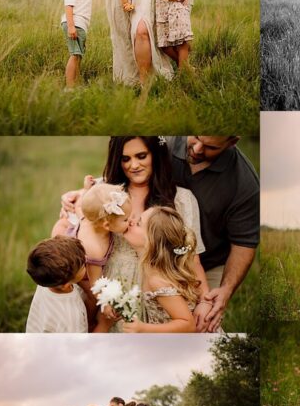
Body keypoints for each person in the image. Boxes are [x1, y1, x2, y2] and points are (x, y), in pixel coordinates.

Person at [60, 137, 210, 329]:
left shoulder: (182, 199)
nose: (134, 165)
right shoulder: (108, 193)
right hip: (114, 289)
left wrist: (204, 301)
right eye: (125, 159)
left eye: (141, 156)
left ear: (155, 155)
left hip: (159, 295)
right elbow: (74, 218)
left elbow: (192, 258)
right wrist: (71, 199)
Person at [166, 136, 260, 332]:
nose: (197, 149)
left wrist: (225, 290)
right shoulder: (164, 142)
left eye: (210, 147)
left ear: (232, 142)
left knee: (203, 326)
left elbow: (243, 244)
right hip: (154, 258)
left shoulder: (245, 183)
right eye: (197, 137)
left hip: (207, 264)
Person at [116, 206, 202, 333]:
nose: (130, 221)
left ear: (152, 243)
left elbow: (188, 325)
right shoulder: (151, 269)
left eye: (139, 223)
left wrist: (143, 328)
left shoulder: (157, 280)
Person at [52, 183, 132, 287]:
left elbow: (79, 206)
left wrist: (86, 189)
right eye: (126, 219)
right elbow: (95, 282)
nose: (130, 221)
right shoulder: (95, 249)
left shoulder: (87, 219)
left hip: (68, 236)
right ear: (107, 225)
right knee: (85, 287)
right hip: (78, 270)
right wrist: (106, 302)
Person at [25, 237, 88, 333]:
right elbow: (79, 346)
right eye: (83, 265)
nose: (87, 259)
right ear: (65, 285)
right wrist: (104, 325)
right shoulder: (71, 317)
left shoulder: (46, 282)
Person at [61, 0, 94, 88]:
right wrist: (71, 26)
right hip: (75, 23)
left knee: (78, 55)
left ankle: (75, 84)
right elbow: (68, 5)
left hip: (80, 24)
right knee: (74, 55)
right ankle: (70, 88)